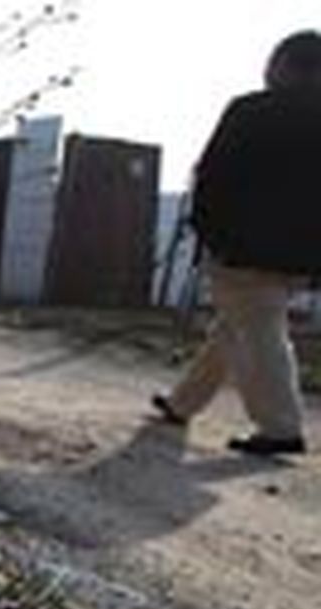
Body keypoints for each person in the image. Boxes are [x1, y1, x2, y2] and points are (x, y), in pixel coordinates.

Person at [154, 30, 321, 456]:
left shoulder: (251, 110)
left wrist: (207, 230)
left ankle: (281, 427)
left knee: (259, 329)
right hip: (300, 253)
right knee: (236, 325)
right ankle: (182, 404)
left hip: (243, 245)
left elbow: (213, 175)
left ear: (285, 66)